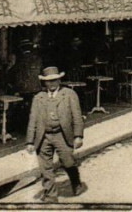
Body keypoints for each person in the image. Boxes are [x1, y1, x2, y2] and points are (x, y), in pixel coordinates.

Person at [25, 66, 86, 203]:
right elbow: (32, 120)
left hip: (62, 135)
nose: (51, 84)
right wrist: (29, 141)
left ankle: (76, 183)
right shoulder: (38, 98)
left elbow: (77, 116)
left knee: (68, 161)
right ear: (44, 83)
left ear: (59, 80)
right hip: (43, 136)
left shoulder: (69, 94)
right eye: (48, 81)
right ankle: (50, 195)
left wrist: (78, 136)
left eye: (54, 80)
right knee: (45, 168)